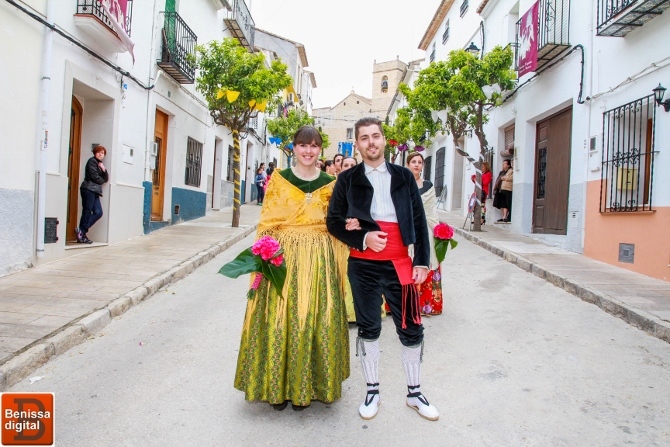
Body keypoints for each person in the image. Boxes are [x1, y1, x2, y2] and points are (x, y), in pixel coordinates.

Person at [327, 117, 439, 421]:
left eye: (375, 136)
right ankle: (372, 391)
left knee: (411, 327)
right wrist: (363, 237)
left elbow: (418, 220)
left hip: (400, 263)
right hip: (362, 265)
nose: (371, 142)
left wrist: (421, 261)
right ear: (358, 144)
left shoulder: (403, 176)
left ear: (384, 139)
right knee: (369, 327)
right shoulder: (347, 179)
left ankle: (414, 393)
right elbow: (334, 222)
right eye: (364, 138)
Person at [234, 126, 350, 412]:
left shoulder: (331, 183)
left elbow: (336, 222)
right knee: (279, 316)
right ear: (294, 148)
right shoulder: (279, 179)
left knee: (315, 317)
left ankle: (308, 387)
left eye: (313, 146)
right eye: (302, 145)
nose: (308, 151)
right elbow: (267, 222)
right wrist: (264, 256)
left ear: (319, 149)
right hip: (282, 256)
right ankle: (278, 388)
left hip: (319, 258)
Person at [406, 152, 443, 316]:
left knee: (427, 259)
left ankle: (426, 305)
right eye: (413, 161)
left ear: (422, 166)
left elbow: (432, 210)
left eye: (419, 162)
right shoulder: (402, 184)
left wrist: (438, 230)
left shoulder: (428, 186)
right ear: (408, 165)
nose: (416, 164)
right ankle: (404, 306)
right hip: (406, 227)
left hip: (426, 228)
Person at [75, 145, 109, 244]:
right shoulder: (92, 161)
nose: (101, 154)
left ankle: (81, 231)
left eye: (102, 153)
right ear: (95, 153)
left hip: (95, 191)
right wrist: (102, 180)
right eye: (99, 152)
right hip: (88, 189)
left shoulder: (100, 164)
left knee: (98, 212)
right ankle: (82, 233)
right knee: (87, 211)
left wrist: (104, 169)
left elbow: (106, 179)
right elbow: (95, 177)